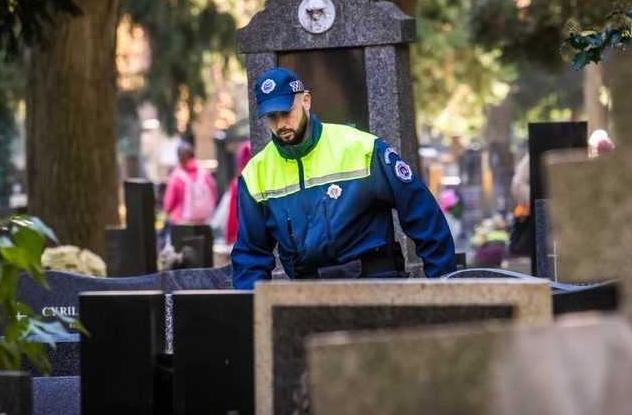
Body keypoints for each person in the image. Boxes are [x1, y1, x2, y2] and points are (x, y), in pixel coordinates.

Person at [231, 68, 456, 289]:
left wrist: (443, 283)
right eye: (272, 117)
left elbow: (422, 213)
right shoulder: (256, 174)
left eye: (286, 112)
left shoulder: (363, 148)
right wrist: (250, 313)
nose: (281, 125)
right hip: (308, 296)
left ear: (306, 101)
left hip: (375, 287)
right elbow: (251, 255)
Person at [163, 141, 217, 226]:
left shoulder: (176, 176)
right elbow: (213, 194)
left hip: (182, 223)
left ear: (179, 157)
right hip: (205, 222)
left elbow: (168, 205)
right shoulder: (205, 174)